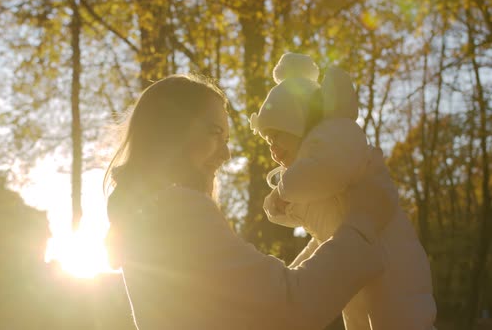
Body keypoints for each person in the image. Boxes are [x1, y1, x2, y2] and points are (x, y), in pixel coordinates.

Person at [104, 74, 396, 330]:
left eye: (227, 137)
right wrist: (362, 222)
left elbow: (270, 298)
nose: (227, 153)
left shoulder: (151, 215)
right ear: (169, 131)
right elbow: (290, 305)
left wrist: (333, 231)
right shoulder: (179, 212)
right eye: (215, 132)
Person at [250, 53, 436, 330]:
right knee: (360, 320)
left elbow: (322, 173)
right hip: (362, 255)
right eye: (267, 141)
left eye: (276, 135)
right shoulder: (312, 163)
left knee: (401, 317)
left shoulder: (336, 135)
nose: (272, 147)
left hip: (391, 257)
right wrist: (284, 209)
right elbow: (323, 230)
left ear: (298, 121)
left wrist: (283, 192)